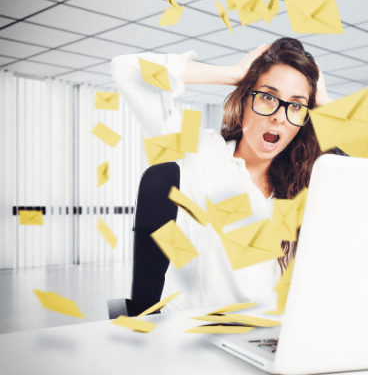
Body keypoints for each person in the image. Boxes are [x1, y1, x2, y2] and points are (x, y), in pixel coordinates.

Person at [111, 37, 333, 312]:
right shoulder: (200, 149)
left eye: (296, 105)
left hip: (266, 341)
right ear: (243, 100)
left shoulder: (309, 183)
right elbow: (127, 70)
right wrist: (233, 75)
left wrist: (325, 103)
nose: (279, 116)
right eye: (266, 96)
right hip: (193, 339)